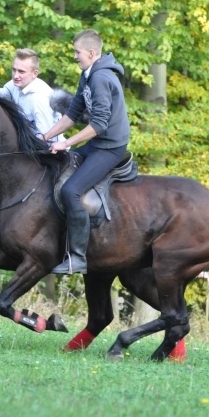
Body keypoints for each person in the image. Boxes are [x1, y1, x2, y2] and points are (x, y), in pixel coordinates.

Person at [42, 29, 130, 275]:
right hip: (97, 143)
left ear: (91, 52)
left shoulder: (101, 78)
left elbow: (99, 124)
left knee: (71, 190)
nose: (74, 56)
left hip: (110, 147)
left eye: (77, 52)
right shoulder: (88, 75)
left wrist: (66, 143)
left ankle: (78, 258)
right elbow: (72, 114)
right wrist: (45, 138)